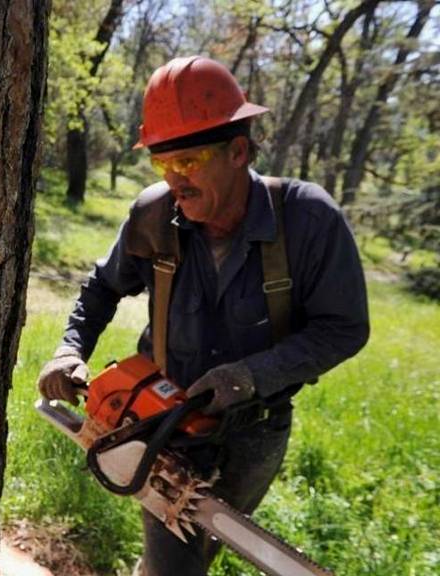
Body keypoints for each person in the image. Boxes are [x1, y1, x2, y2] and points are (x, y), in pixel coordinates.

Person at [36, 55, 370, 575]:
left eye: (188, 162)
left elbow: (346, 327)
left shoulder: (307, 219)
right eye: (162, 164)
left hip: (256, 432)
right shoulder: (153, 216)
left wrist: (251, 376)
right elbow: (102, 287)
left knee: (197, 552)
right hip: (166, 422)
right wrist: (70, 348)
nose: (175, 180)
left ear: (238, 151)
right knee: (175, 563)